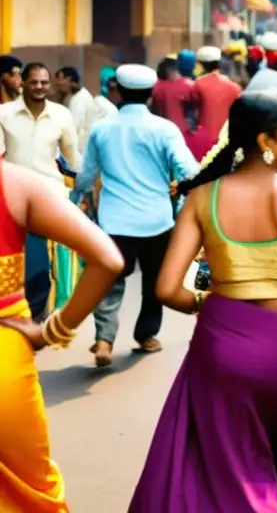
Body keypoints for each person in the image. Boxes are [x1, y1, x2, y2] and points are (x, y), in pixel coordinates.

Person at [129, 91, 277, 512]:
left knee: (227, 466)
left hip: (220, 345)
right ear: (265, 140)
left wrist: (209, 300)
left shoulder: (202, 199)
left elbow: (168, 289)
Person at [0, 160, 124, 512]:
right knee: (29, 493)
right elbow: (107, 260)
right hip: (5, 356)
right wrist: (51, 331)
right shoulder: (16, 183)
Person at [73, 64, 200, 366]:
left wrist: (77, 193)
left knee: (109, 280)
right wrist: (178, 187)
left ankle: (104, 338)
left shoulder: (102, 128)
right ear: (150, 93)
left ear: (118, 88)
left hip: (114, 221)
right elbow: (191, 171)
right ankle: (146, 335)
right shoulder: (164, 129)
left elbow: (86, 177)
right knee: (155, 282)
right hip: (157, 221)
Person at [0, 63, 80, 319]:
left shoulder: (61, 115)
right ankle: (24, 314)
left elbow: (72, 158)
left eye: (44, 82)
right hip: (14, 199)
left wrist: (82, 190)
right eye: (33, 82)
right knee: (22, 260)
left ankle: (36, 316)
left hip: (51, 198)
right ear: (22, 83)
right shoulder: (4, 114)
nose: (39, 87)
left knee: (41, 266)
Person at [191, 46, 241, 139]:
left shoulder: (197, 85)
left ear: (200, 65)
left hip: (204, 140)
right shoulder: (235, 87)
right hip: (227, 139)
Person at [53, 66, 95, 152]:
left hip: (79, 148)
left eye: (59, 80)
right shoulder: (70, 96)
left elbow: (72, 128)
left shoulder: (80, 99)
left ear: (69, 80)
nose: (57, 84)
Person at [150, 57, 192, 135]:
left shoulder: (156, 87)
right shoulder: (188, 86)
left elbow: (153, 109)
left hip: (160, 131)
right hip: (182, 132)